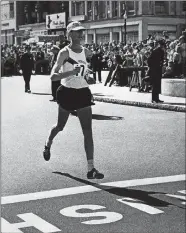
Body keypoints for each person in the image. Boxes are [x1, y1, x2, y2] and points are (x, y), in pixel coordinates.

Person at [43, 21, 104, 179]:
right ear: (69, 34)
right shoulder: (64, 52)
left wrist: (87, 77)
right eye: (76, 32)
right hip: (67, 93)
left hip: (83, 92)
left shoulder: (87, 52)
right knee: (60, 126)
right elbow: (53, 75)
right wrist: (69, 73)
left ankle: (91, 168)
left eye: (81, 32)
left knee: (88, 131)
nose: (80, 35)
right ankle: (48, 142)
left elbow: (84, 71)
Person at [147, 39, 165, 103]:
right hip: (154, 70)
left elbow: (162, 60)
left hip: (158, 69)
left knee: (157, 84)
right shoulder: (155, 51)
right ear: (159, 44)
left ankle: (157, 98)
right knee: (154, 84)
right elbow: (149, 60)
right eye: (161, 44)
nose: (162, 46)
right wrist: (152, 67)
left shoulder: (161, 51)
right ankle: (153, 98)